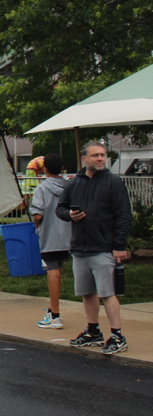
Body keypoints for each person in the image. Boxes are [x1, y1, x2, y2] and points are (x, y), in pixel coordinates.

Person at [56, 142, 132, 354]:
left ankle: (117, 336)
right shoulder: (74, 183)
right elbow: (60, 209)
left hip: (104, 247)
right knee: (87, 292)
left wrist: (119, 246)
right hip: (80, 248)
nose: (100, 158)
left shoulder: (113, 183)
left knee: (107, 293)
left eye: (102, 155)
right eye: (95, 155)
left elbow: (124, 215)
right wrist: (70, 215)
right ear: (84, 159)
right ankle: (93, 331)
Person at [30, 153, 71, 329]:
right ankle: (52, 308)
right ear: (61, 168)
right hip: (68, 235)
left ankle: (55, 315)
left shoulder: (42, 188)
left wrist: (36, 224)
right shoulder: (69, 186)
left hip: (50, 235)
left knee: (52, 272)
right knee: (58, 271)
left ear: (44, 169)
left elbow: (38, 214)